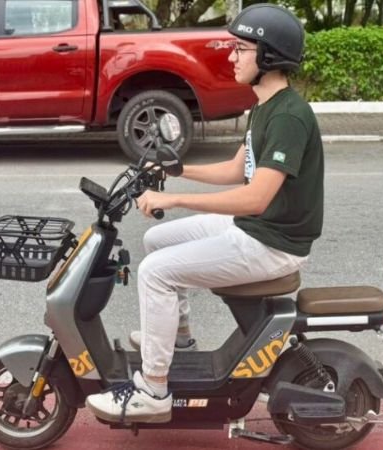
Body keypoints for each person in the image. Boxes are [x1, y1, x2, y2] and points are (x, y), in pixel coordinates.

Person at [86, 3, 324, 423]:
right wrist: (176, 170)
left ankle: (153, 389)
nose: (232, 56)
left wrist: (174, 200)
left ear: (268, 57)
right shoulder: (266, 106)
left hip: (272, 243)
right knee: (156, 240)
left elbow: (255, 198)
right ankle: (178, 339)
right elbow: (239, 169)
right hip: (257, 229)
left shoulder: (289, 117)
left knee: (155, 271)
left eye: (241, 49)